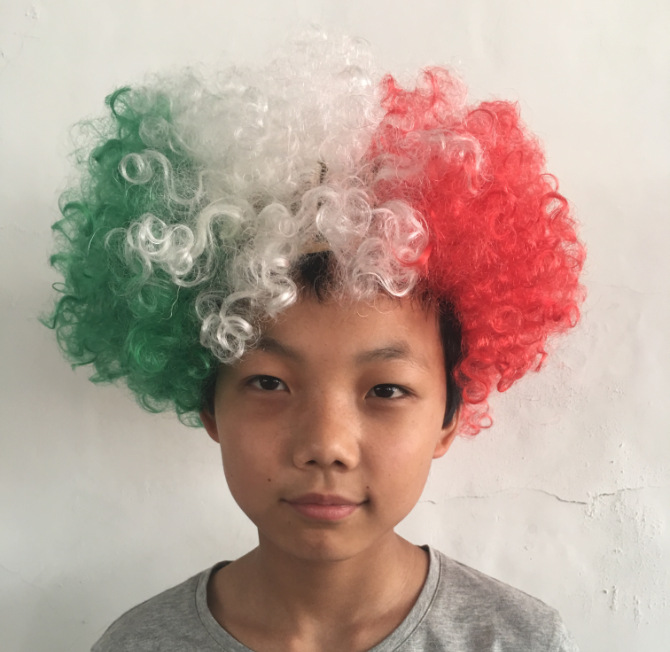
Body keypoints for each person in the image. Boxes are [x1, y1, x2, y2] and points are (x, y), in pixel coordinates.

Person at [46, 34, 585, 652]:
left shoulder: (517, 640)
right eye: (269, 382)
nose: (326, 446)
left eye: (386, 390)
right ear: (209, 404)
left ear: (448, 417)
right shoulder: (140, 645)